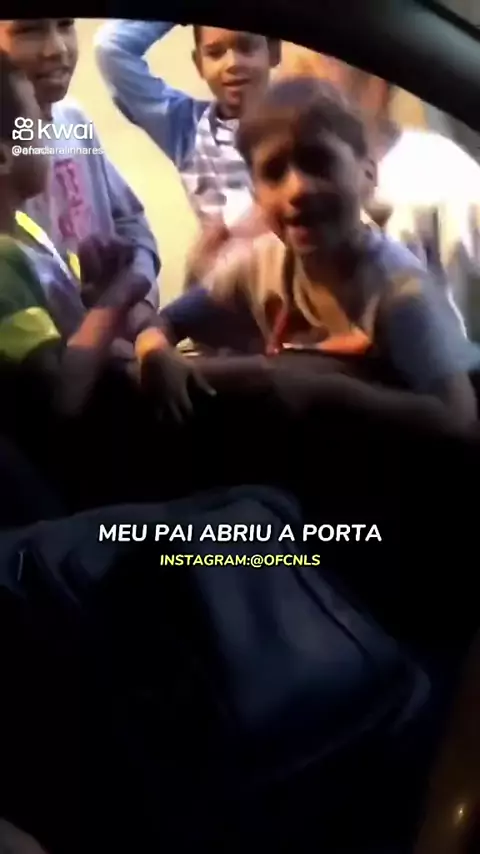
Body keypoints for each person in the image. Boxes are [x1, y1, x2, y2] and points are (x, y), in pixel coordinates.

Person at [138, 77, 478, 425]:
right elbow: (165, 321)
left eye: (318, 162)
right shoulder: (259, 266)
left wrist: (323, 393)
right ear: (256, 195)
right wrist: (154, 353)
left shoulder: (399, 294)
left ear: (368, 173)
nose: (298, 188)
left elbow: (461, 422)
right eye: (274, 173)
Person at [0, 50, 149, 420]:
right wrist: (113, 302)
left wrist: (91, 297)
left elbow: (66, 333)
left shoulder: (25, 230)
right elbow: (60, 395)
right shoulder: (2, 261)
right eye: (37, 123)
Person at [0, 18, 160, 334]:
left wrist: (138, 309)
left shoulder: (73, 121)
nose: (57, 49)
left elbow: (132, 226)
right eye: (28, 30)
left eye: (66, 24)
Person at [95, 19, 280, 225]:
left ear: (274, 52)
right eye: (215, 53)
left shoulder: (301, 118)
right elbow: (111, 48)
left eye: (246, 47)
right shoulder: (187, 128)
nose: (233, 63)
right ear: (199, 64)